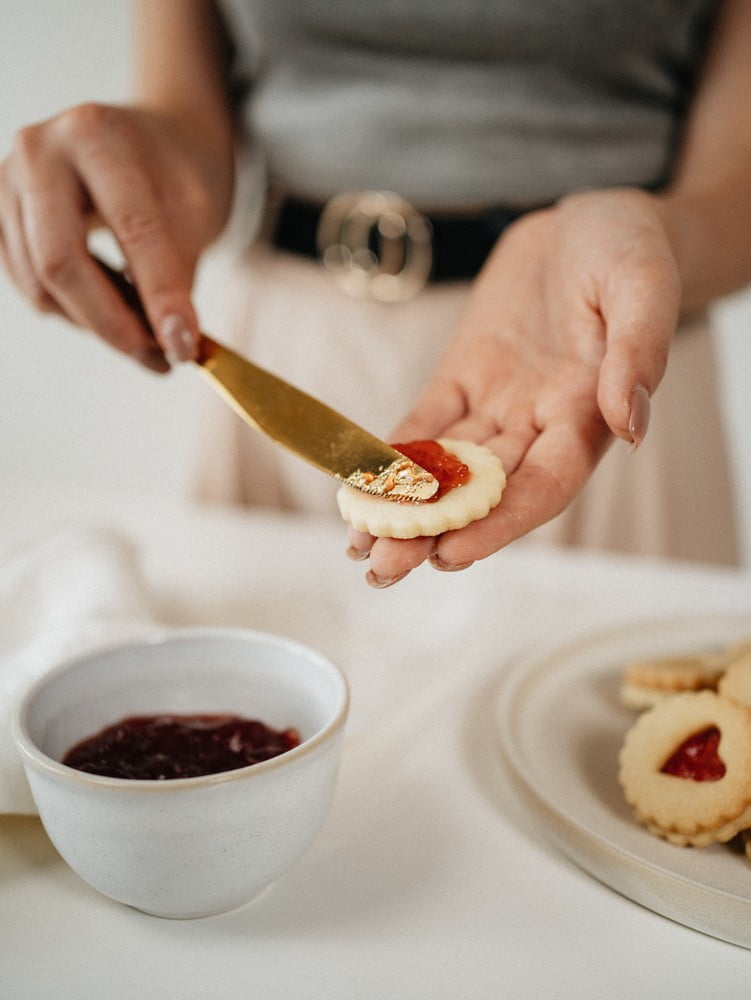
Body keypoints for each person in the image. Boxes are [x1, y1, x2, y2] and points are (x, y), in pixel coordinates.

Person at [1, 1, 749, 588]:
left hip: (600, 361)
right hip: (289, 354)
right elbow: (196, 131)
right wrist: (145, 166)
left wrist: (662, 238)